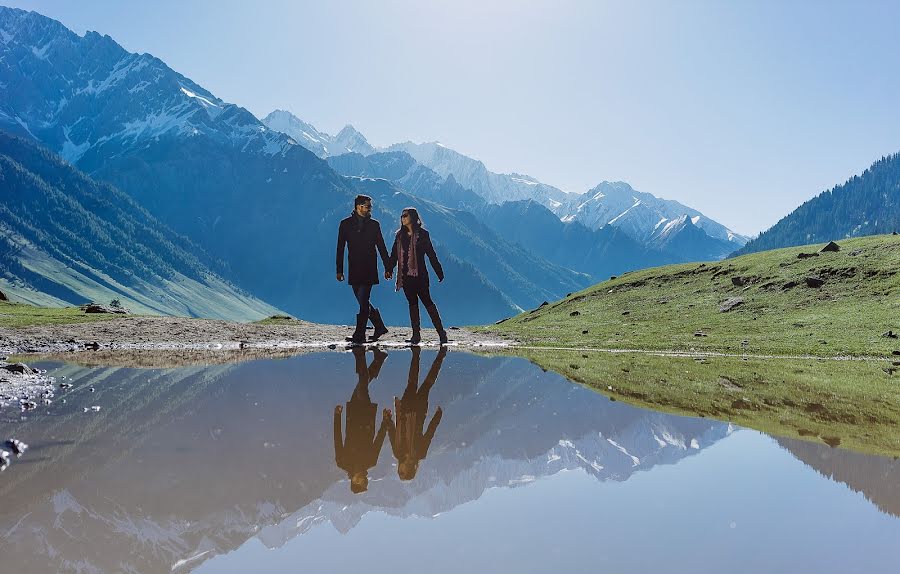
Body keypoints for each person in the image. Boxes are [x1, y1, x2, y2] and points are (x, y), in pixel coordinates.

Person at [386, 207, 447, 345]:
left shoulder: (423, 235)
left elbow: (431, 254)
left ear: (413, 217)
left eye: (405, 215)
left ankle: (441, 333)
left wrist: (438, 270)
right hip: (405, 277)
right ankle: (416, 335)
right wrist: (389, 269)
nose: (402, 218)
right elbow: (394, 255)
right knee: (412, 304)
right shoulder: (399, 236)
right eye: (401, 216)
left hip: (420, 276)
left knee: (427, 302)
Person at [336, 195, 392, 344]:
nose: (370, 209)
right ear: (358, 207)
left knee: (363, 300)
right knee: (362, 301)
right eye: (367, 206)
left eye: (369, 206)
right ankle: (379, 326)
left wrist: (388, 267)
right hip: (353, 268)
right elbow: (340, 248)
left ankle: (359, 335)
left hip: (369, 268)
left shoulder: (375, 225)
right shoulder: (345, 224)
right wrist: (339, 270)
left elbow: (381, 247)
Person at [334, 347, 390, 493]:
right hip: (365, 416)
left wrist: (337, 416)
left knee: (362, 384)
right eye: (365, 483)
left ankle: (378, 358)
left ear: (352, 481)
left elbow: (338, 439)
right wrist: (385, 421)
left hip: (352, 415)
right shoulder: (371, 461)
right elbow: (378, 440)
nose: (364, 480)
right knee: (362, 385)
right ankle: (361, 354)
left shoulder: (342, 462)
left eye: (361, 483)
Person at [384, 346, 446, 481]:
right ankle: (441, 356)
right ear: (410, 470)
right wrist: (437, 417)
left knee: (412, 382)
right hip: (419, 411)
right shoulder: (420, 453)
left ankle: (416, 353)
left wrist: (387, 419)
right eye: (403, 473)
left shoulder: (397, 453)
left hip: (405, 411)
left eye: (399, 472)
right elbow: (429, 433)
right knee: (428, 384)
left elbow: (392, 433)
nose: (400, 470)